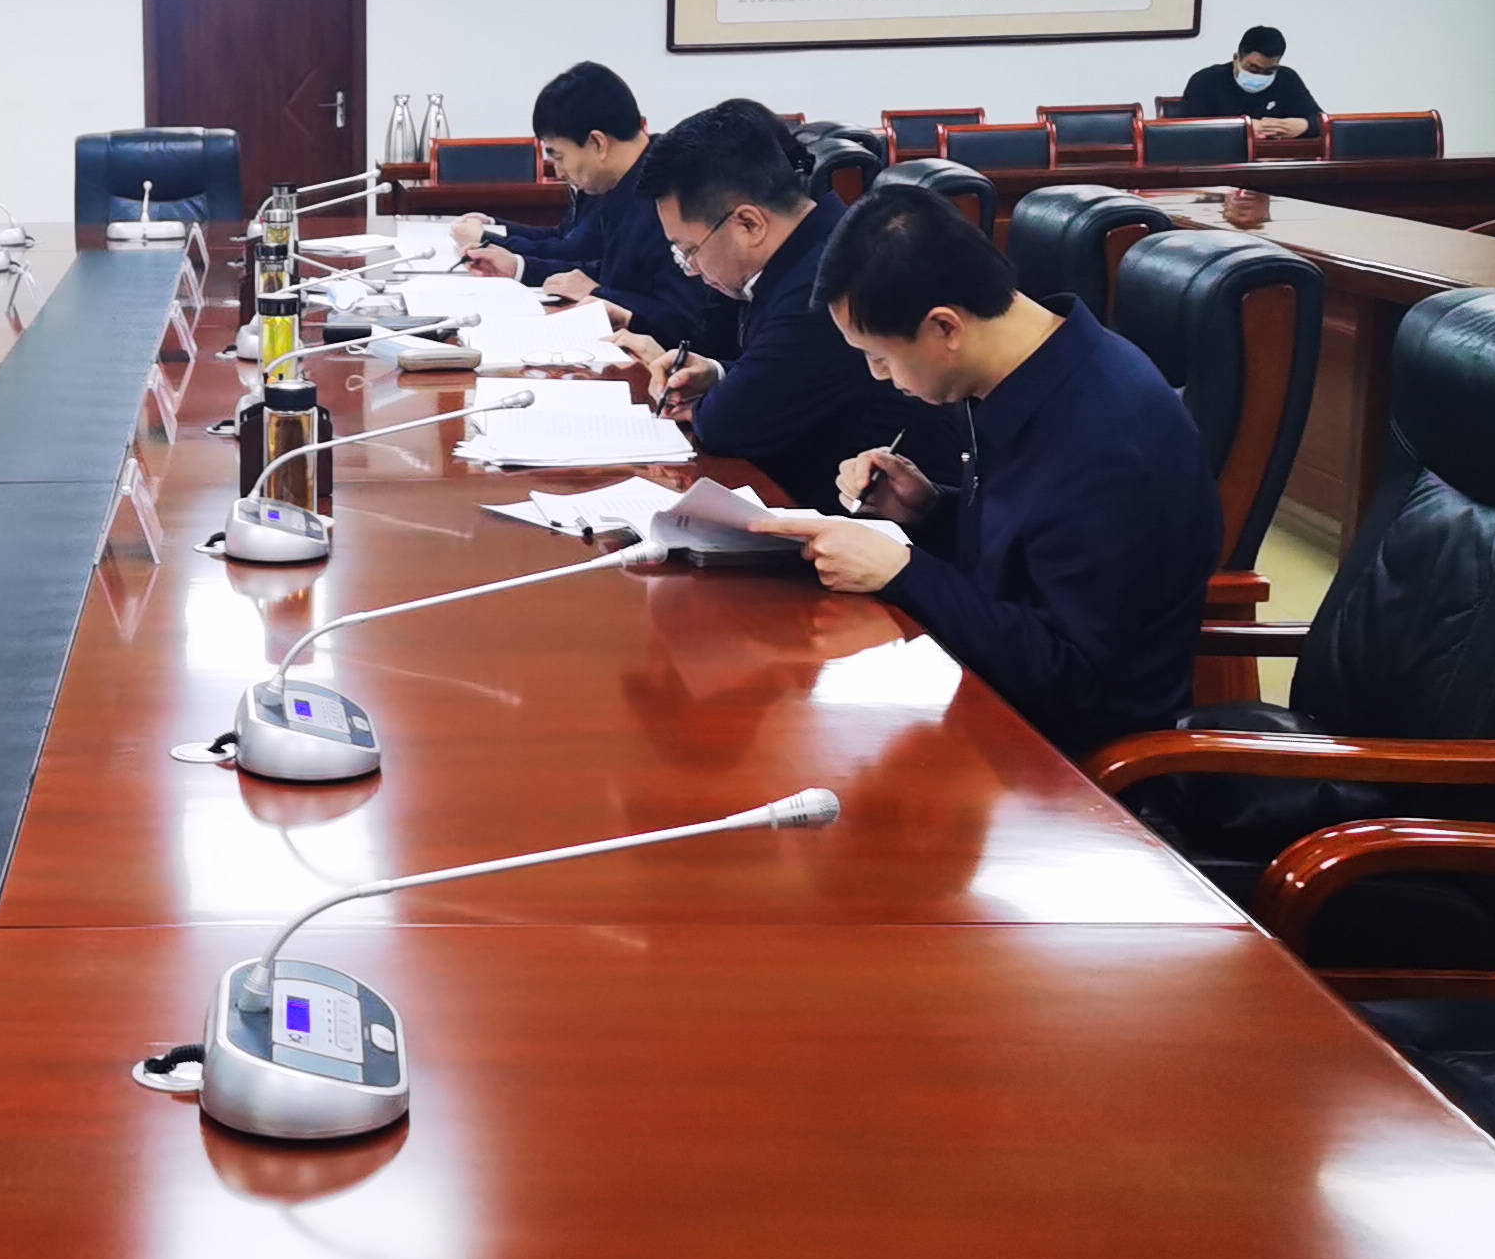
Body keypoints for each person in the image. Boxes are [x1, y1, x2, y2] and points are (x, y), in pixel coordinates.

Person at [750, 181, 1222, 755]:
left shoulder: (1107, 442)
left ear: (945, 327)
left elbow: (1076, 682)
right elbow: (1028, 557)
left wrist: (905, 572)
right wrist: (929, 511)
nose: (879, 376)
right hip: (990, 694)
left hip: (1072, 759)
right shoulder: (1028, 370)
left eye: (880, 356)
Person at [627, 101, 953, 511]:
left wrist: (717, 395)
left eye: (689, 251)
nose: (691, 269)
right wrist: (717, 372)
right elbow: (779, 371)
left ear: (748, 224)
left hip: (885, 522)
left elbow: (727, 425)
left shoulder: (828, 283)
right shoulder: (817, 241)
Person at [446, 61, 729, 353]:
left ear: (597, 143)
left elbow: (687, 320)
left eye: (559, 156)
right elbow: (605, 266)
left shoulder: (667, 193)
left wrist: (599, 293)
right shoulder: (618, 182)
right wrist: (521, 266)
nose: (558, 171)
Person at [1169, 25, 1320, 143]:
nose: (1259, 75)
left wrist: (1305, 125)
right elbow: (1187, 131)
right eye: (1252, 68)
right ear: (1236, 58)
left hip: (1273, 161)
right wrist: (1242, 128)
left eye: (1268, 71)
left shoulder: (1287, 79)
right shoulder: (1206, 80)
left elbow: (1321, 121)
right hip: (1219, 161)